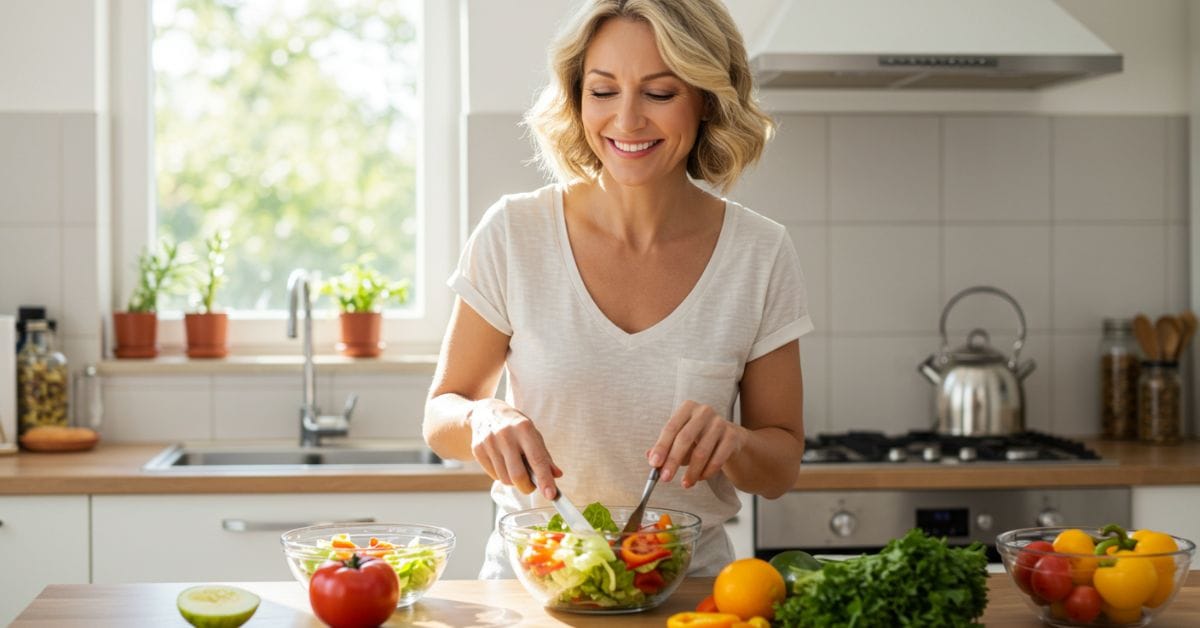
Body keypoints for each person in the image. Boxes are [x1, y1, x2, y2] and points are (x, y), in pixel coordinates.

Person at [423, 0, 811, 578]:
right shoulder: (514, 232)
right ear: (578, 99)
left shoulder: (759, 252)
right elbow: (440, 414)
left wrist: (734, 442)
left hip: (687, 590)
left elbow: (778, 467)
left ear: (706, 99)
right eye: (603, 92)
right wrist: (483, 418)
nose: (627, 121)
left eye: (659, 93)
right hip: (532, 583)